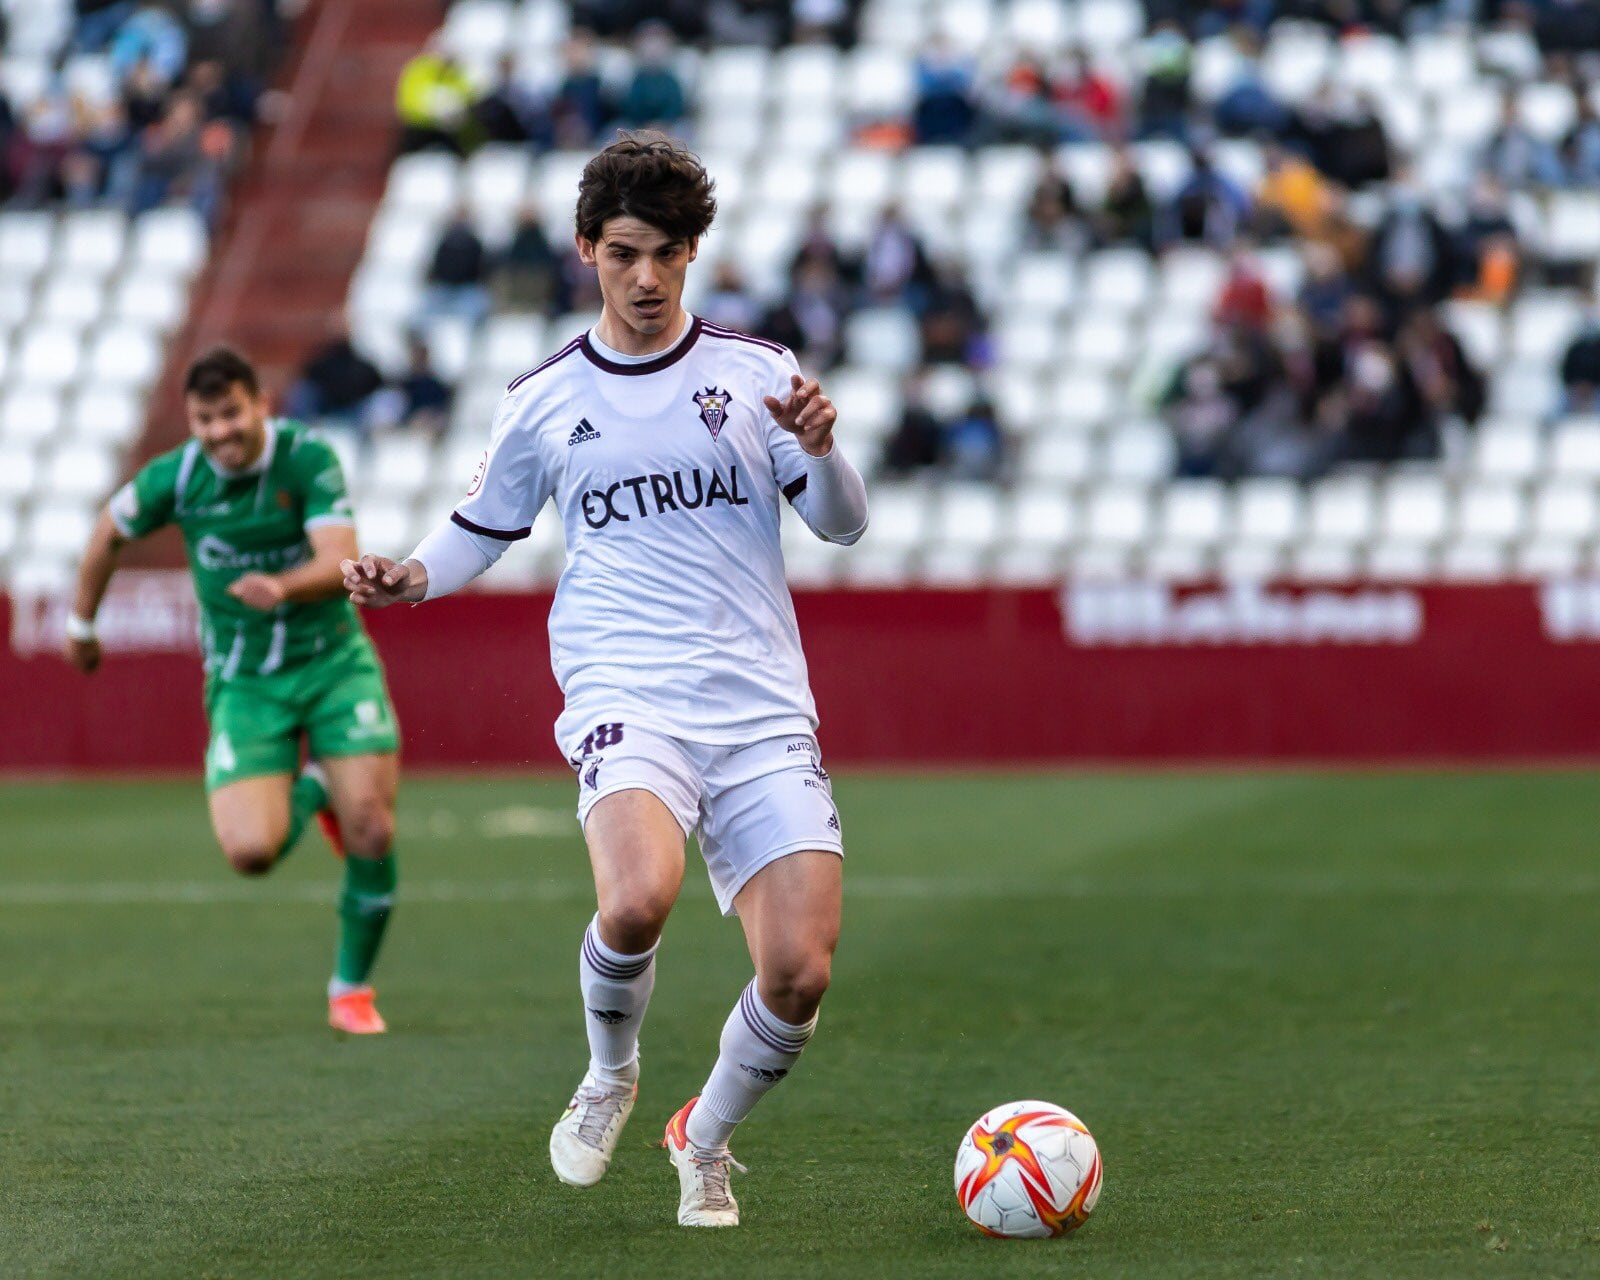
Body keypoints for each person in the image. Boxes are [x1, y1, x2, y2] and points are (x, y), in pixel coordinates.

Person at [341, 132, 868, 1228]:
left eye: (667, 253)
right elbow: (480, 527)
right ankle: (608, 1072)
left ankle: (703, 1135)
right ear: (587, 248)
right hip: (624, 683)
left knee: (799, 972)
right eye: (624, 251)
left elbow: (842, 523)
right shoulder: (542, 398)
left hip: (762, 705)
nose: (644, 276)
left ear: (691, 254)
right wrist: (407, 578)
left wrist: (823, 446)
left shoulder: (756, 374)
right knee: (634, 896)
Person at [64, 347, 402, 1035]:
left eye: (230, 414)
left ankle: (350, 990)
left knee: (371, 824)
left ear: (260, 406)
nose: (219, 431)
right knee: (250, 852)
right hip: (245, 681)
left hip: (333, 663)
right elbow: (107, 533)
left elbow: (340, 554)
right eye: (204, 419)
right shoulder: (178, 476)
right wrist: (80, 623)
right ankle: (314, 789)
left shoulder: (306, 456)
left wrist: (279, 586)